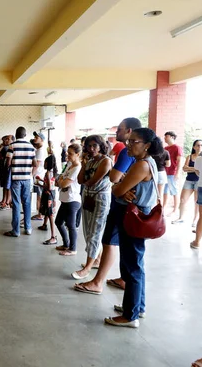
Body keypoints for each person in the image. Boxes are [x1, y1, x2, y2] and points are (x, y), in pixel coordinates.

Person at [74, 117, 142, 295]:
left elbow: (112, 178)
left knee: (110, 241)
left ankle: (95, 276)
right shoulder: (132, 156)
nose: (117, 132)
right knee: (122, 246)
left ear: (130, 132)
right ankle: (124, 282)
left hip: (118, 202)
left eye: (120, 129)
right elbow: (83, 180)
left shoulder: (127, 155)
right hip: (120, 202)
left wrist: (118, 187)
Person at [104, 128, 162, 328]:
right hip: (134, 215)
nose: (129, 145)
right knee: (135, 263)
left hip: (132, 216)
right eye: (129, 141)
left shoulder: (142, 165)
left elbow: (118, 188)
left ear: (146, 145)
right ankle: (138, 307)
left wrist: (118, 188)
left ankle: (130, 316)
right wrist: (121, 189)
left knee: (132, 266)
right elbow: (121, 188)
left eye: (134, 142)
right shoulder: (146, 162)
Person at [74, 135, 112, 279]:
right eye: (89, 146)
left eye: (94, 146)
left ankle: (87, 268)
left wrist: (86, 180)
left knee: (95, 232)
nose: (91, 149)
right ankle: (96, 259)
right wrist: (83, 165)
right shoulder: (89, 161)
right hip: (88, 197)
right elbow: (80, 180)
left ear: (101, 146)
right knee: (88, 230)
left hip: (100, 198)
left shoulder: (106, 161)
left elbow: (92, 181)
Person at [3, 127, 37, 237]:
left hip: (16, 179)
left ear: (15, 134)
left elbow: (8, 163)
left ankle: (16, 231)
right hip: (27, 179)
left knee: (16, 203)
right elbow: (35, 164)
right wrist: (29, 173)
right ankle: (28, 228)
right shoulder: (31, 147)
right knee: (27, 203)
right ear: (25, 135)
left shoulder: (12, 146)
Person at [51, 143, 82, 253]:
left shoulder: (77, 168)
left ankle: (72, 249)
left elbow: (64, 183)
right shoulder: (70, 165)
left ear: (77, 154)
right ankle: (66, 244)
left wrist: (60, 182)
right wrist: (60, 181)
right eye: (67, 153)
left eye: (70, 154)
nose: (67, 155)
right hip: (65, 199)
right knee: (58, 222)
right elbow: (60, 179)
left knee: (71, 225)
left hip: (72, 200)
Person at [172, 139, 202, 227]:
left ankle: (195, 220)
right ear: (194, 147)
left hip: (199, 181)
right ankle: (181, 217)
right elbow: (184, 168)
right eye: (197, 145)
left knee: (197, 201)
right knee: (183, 199)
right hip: (189, 180)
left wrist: (191, 168)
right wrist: (195, 169)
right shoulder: (190, 157)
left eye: (201, 145)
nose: (199, 147)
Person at [36, 155, 56, 245]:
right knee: (48, 212)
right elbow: (50, 183)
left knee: (50, 214)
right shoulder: (53, 172)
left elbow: (49, 187)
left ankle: (53, 236)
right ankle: (44, 225)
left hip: (48, 195)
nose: (43, 164)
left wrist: (39, 184)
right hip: (51, 195)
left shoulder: (48, 173)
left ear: (47, 163)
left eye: (44, 162)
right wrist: (41, 180)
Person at [163, 131, 183, 217]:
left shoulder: (177, 148)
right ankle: (163, 208)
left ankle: (175, 210)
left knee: (174, 191)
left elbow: (180, 161)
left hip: (172, 173)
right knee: (165, 191)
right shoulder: (165, 148)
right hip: (165, 172)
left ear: (172, 137)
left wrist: (178, 173)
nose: (165, 138)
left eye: (166, 136)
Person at [31, 132, 48, 221]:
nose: (35, 138)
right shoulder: (39, 149)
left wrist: (31, 175)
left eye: (36, 137)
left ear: (41, 139)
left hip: (38, 176)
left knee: (39, 196)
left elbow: (36, 164)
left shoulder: (41, 150)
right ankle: (39, 213)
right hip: (38, 175)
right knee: (38, 196)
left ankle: (40, 214)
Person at [0, 136, 13, 210]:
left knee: (7, 186)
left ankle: (7, 202)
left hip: (7, 169)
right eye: (5, 139)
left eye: (7, 139)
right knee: (4, 186)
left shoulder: (9, 148)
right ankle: (3, 200)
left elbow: (4, 157)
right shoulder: (4, 147)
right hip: (3, 168)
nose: (6, 140)